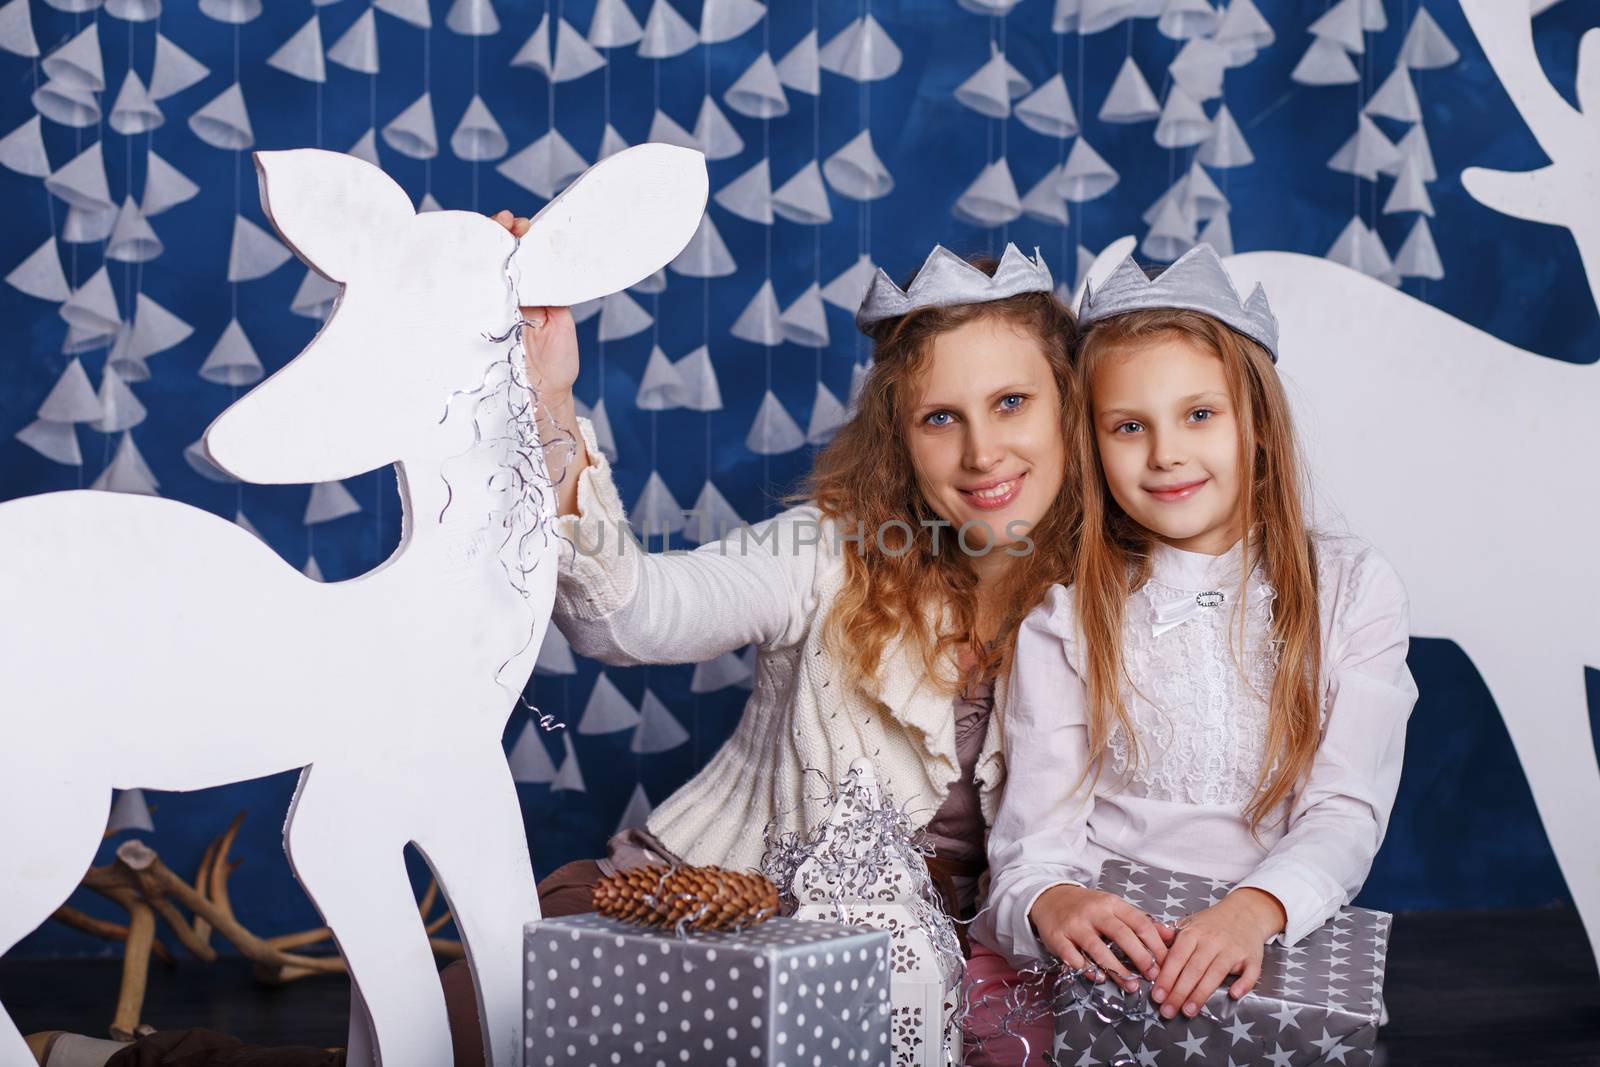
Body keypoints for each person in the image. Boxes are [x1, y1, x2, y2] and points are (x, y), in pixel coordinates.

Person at [36, 232, 1084, 1067]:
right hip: (697, 915)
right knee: (421, 1051)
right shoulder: (828, 554)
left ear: (1070, 410)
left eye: (1010, 403)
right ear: (897, 436)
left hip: (928, 983)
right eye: (940, 416)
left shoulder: (1118, 604)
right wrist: (549, 402)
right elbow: (626, 613)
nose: (983, 451)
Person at [961, 243, 1420, 1066]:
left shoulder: (1353, 588)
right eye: (1129, 426)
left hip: (1269, 940)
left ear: (1260, 426)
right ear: (1093, 446)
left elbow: (1345, 810)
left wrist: (1254, 907)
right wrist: (1054, 898)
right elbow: (1033, 840)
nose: (1166, 452)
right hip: (1106, 956)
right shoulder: (1066, 611)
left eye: (1199, 414)